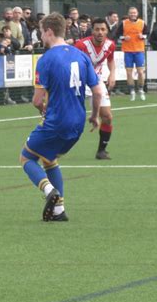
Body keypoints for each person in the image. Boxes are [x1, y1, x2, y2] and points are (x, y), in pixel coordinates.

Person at [20, 12, 101, 222]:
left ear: (49, 31)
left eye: (41, 33)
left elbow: (37, 101)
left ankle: (49, 191)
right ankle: (59, 211)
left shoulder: (46, 59)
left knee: (27, 157)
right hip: (78, 123)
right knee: (49, 159)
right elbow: (98, 91)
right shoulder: (81, 55)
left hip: (57, 121)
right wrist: (95, 115)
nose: (41, 38)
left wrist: (42, 111)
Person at [75, 18, 116, 160]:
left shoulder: (110, 45)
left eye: (103, 29)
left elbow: (111, 60)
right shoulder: (81, 45)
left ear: (107, 31)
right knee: (69, 118)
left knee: (107, 117)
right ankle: (54, 148)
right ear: (92, 31)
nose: (100, 32)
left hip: (97, 81)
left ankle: (101, 151)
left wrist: (112, 74)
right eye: (97, 29)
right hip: (79, 81)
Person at [115, 7, 148, 101]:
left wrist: (143, 36)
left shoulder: (142, 23)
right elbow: (118, 34)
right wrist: (124, 38)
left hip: (139, 50)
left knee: (140, 72)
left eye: (134, 13)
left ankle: (141, 89)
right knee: (129, 72)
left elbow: (147, 33)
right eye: (131, 13)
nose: (133, 14)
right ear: (128, 14)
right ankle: (132, 91)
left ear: (137, 13)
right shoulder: (124, 23)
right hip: (128, 51)